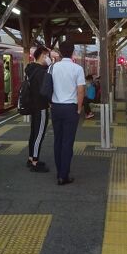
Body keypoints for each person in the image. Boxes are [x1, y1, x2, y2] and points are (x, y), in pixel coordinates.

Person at [50, 40, 85, 185]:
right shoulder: (77, 69)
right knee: (67, 142)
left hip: (56, 108)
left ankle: (59, 172)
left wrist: (50, 104)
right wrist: (79, 108)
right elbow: (81, 90)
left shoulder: (52, 68)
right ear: (72, 52)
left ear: (60, 52)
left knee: (57, 140)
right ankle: (63, 175)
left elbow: (47, 87)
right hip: (70, 108)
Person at [24, 47, 52, 172]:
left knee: (33, 133)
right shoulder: (41, 72)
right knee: (39, 134)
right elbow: (45, 90)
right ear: (43, 56)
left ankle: (30, 158)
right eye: (48, 56)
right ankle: (35, 161)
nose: (49, 58)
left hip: (32, 106)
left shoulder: (30, 69)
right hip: (41, 106)